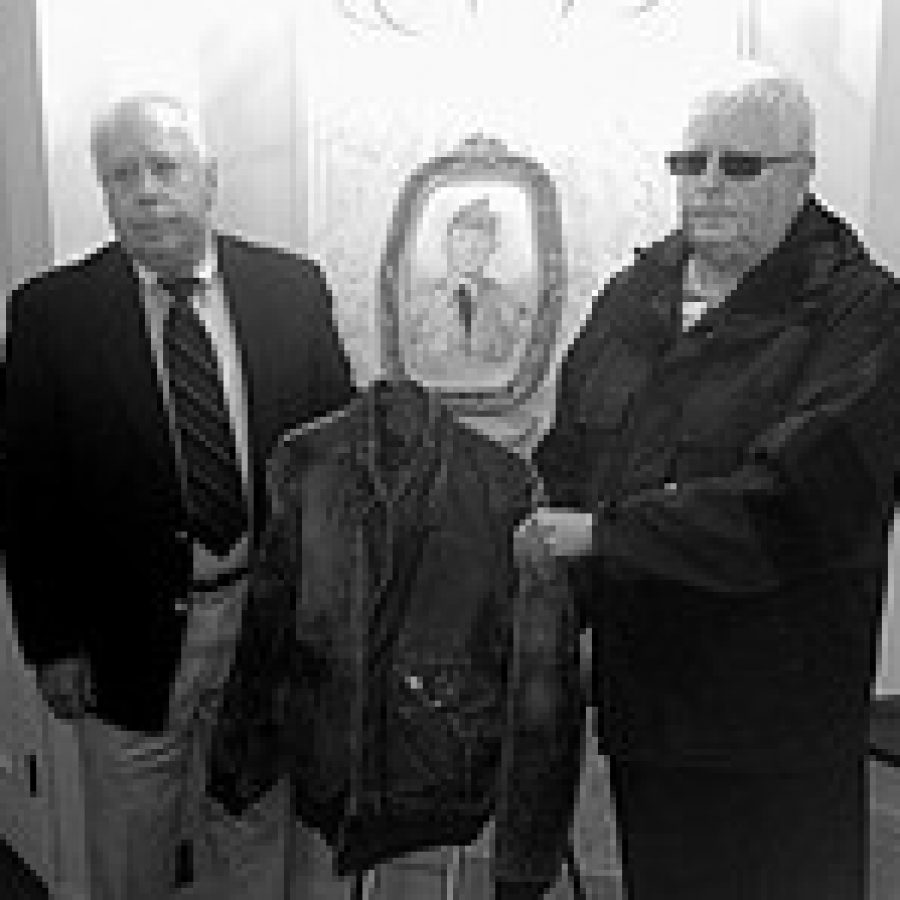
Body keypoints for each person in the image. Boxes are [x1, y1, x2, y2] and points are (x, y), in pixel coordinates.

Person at [521, 63, 900, 900]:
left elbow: (800, 504)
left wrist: (608, 534)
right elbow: (570, 456)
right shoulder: (634, 297)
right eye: (689, 163)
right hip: (649, 709)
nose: (709, 185)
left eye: (739, 164)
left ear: (801, 173)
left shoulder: (862, 313)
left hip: (776, 723)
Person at [4, 94, 354, 900]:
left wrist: (325, 615)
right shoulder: (51, 315)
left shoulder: (291, 291)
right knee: (131, 851)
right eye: (122, 175)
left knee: (255, 828)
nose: (146, 191)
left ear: (210, 179)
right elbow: (28, 495)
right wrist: (52, 643)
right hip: (121, 639)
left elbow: (334, 466)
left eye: (165, 168)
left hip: (262, 622)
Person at [407, 196, 528, 377]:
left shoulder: (509, 306)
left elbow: (520, 365)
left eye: (480, 240)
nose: (470, 249)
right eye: (462, 239)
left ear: (493, 247)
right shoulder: (419, 304)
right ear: (447, 244)